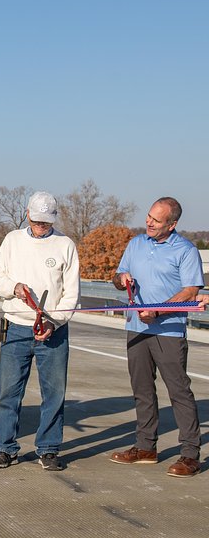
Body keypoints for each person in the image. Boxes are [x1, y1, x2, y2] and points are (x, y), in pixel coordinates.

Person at [110, 197, 203, 478]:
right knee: (141, 390)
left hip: (169, 331)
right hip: (136, 328)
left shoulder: (185, 251)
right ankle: (145, 447)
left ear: (172, 224)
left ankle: (190, 454)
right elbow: (116, 276)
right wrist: (122, 278)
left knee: (179, 392)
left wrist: (159, 311)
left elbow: (190, 291)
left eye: (157, 220)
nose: (149, 222)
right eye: (149, 216)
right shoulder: (137, 243)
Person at [0, 191, 79, 471]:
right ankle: (5, 448)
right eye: (37, 222)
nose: (41, 227)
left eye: (46, 223)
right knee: (7, 392)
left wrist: (54, 322)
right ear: (28, 214)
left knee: (54, 393)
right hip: (16, 327)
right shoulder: (12, 240)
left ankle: (49, 448)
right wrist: (14, 288)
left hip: (53, 331)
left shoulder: (65, 245)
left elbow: (72, 293)